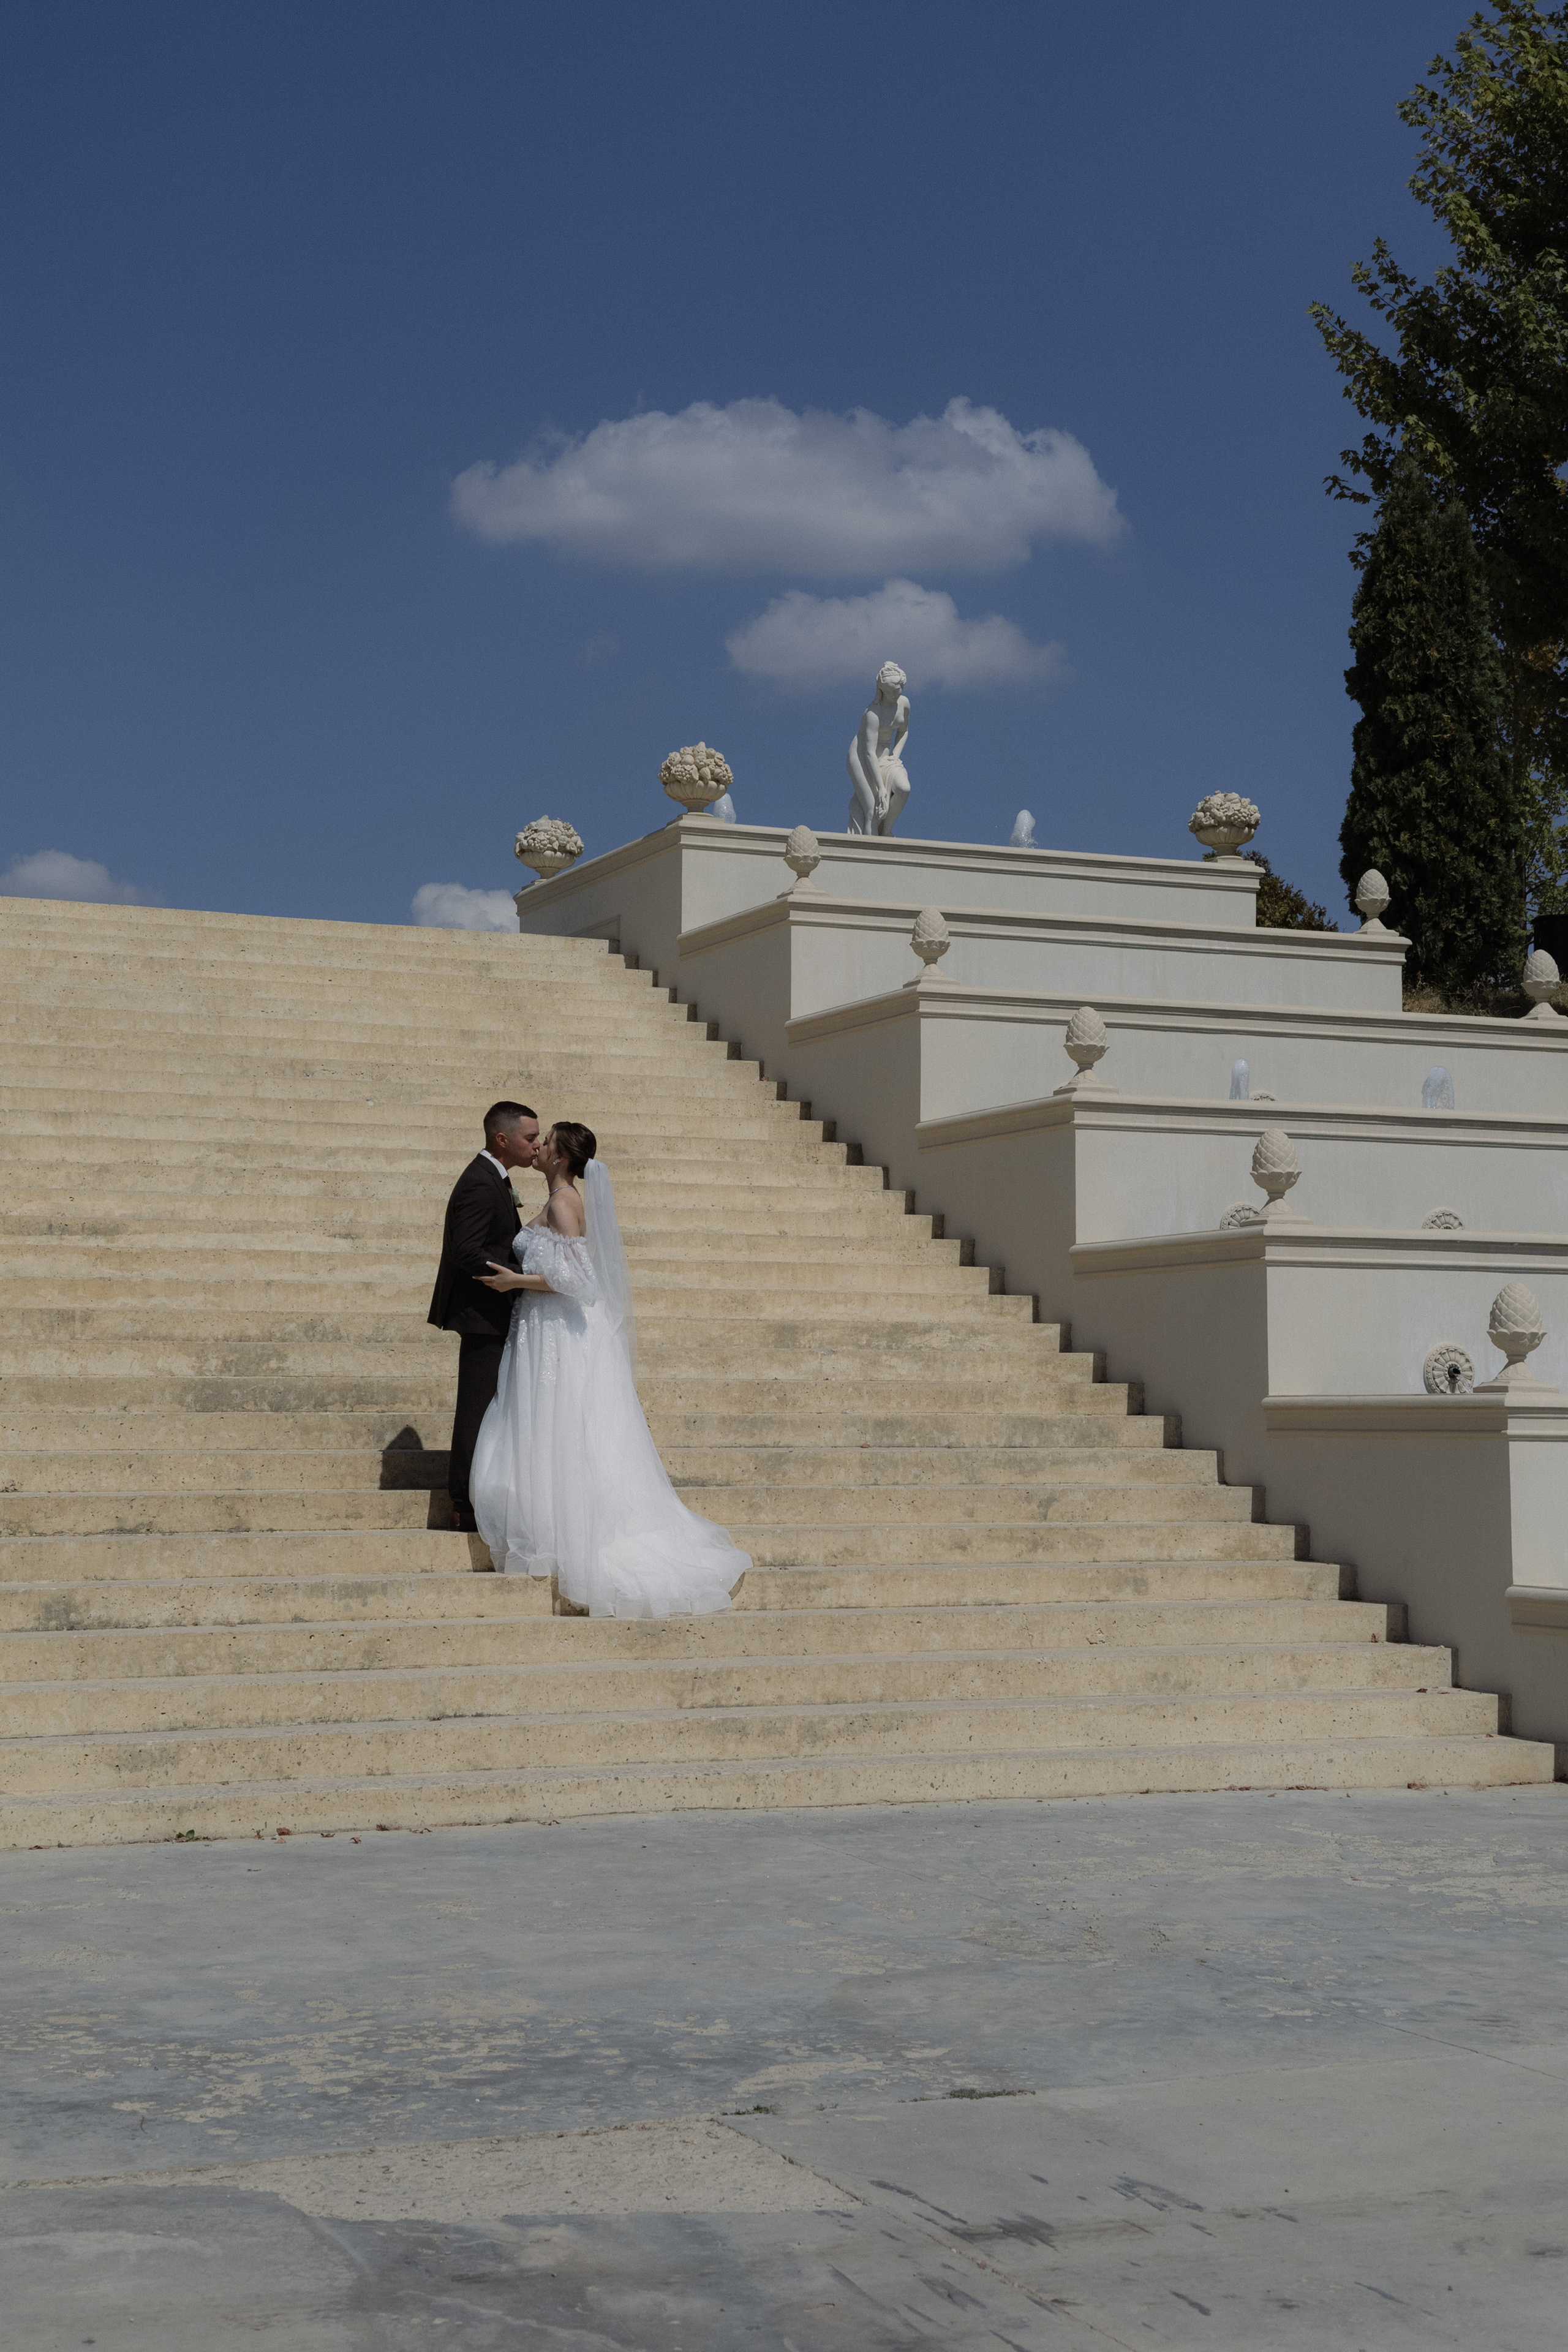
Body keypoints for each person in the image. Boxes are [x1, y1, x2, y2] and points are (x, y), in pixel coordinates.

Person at [469, 1120, 747, 1617]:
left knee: (566, 1427)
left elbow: (580, 1280)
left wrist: (517, 1281)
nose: (539, 1146)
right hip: (545, 1329)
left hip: (559, 1329)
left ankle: (578, 1538)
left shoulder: (564, 1202)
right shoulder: (559, 1200)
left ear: (560, 1157)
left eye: (546, 1141)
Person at [428, 1101, 539, 1534]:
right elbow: (467, 1250)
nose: (536, 1145)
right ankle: (464, 1503)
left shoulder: (494, 1177)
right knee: (476, 1407)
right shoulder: (480, 1181)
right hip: (482, 1313)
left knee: (488, 1405)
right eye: (530, 1137)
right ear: (502, 1139)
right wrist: (514, 1280)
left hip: (492, 1311)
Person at [846, 660, 911, 835]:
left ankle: (887, 830)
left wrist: (896, 756)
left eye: (899, 690)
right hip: (861, 758)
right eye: (891, 691)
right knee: (873, 809)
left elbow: (904, 731)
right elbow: (868, 753)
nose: (896, 694)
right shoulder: (873, 714)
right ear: (882, 690)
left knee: (904, 789)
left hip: (886, 756)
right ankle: (871, 850)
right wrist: (882, 788)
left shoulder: (904, 704)